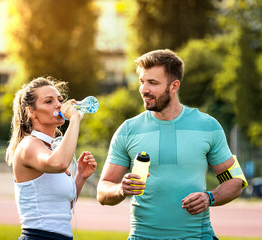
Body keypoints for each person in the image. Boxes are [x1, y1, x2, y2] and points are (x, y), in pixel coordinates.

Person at [97, 49, 247, 240]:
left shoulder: (208, 126)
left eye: (153, 82)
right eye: (142, 81)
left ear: (174, 86)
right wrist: (120, 189)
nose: (144, 89)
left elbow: (235, 183)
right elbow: (103, 190)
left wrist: (210, 197)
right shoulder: (128, 130)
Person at [6, 76, 97, 240]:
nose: (59, 105)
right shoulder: (29, 145)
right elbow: (59, 163)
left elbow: (62, 207)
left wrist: (81, 177)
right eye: (48, 101)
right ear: (30, 111)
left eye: (60, 100)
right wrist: (75, 119)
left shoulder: (52, 148)